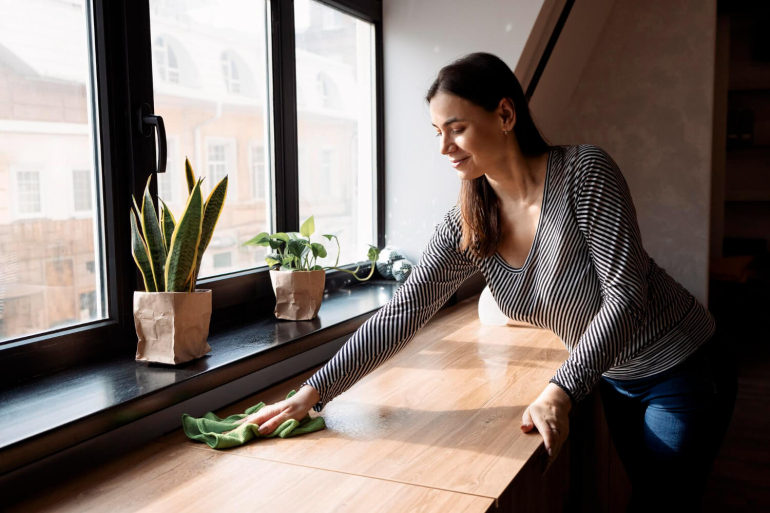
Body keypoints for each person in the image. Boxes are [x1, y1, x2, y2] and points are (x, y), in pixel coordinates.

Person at [232, 52, 737, 511]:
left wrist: (561, 387)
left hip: (682, 365)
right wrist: (315, 392)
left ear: (505, 115)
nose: (444, 148)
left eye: (456, 129)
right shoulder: (469, 223)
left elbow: (625, 297)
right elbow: (404, 312)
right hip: (614, 377)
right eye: (437, 132)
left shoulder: (585, 172)